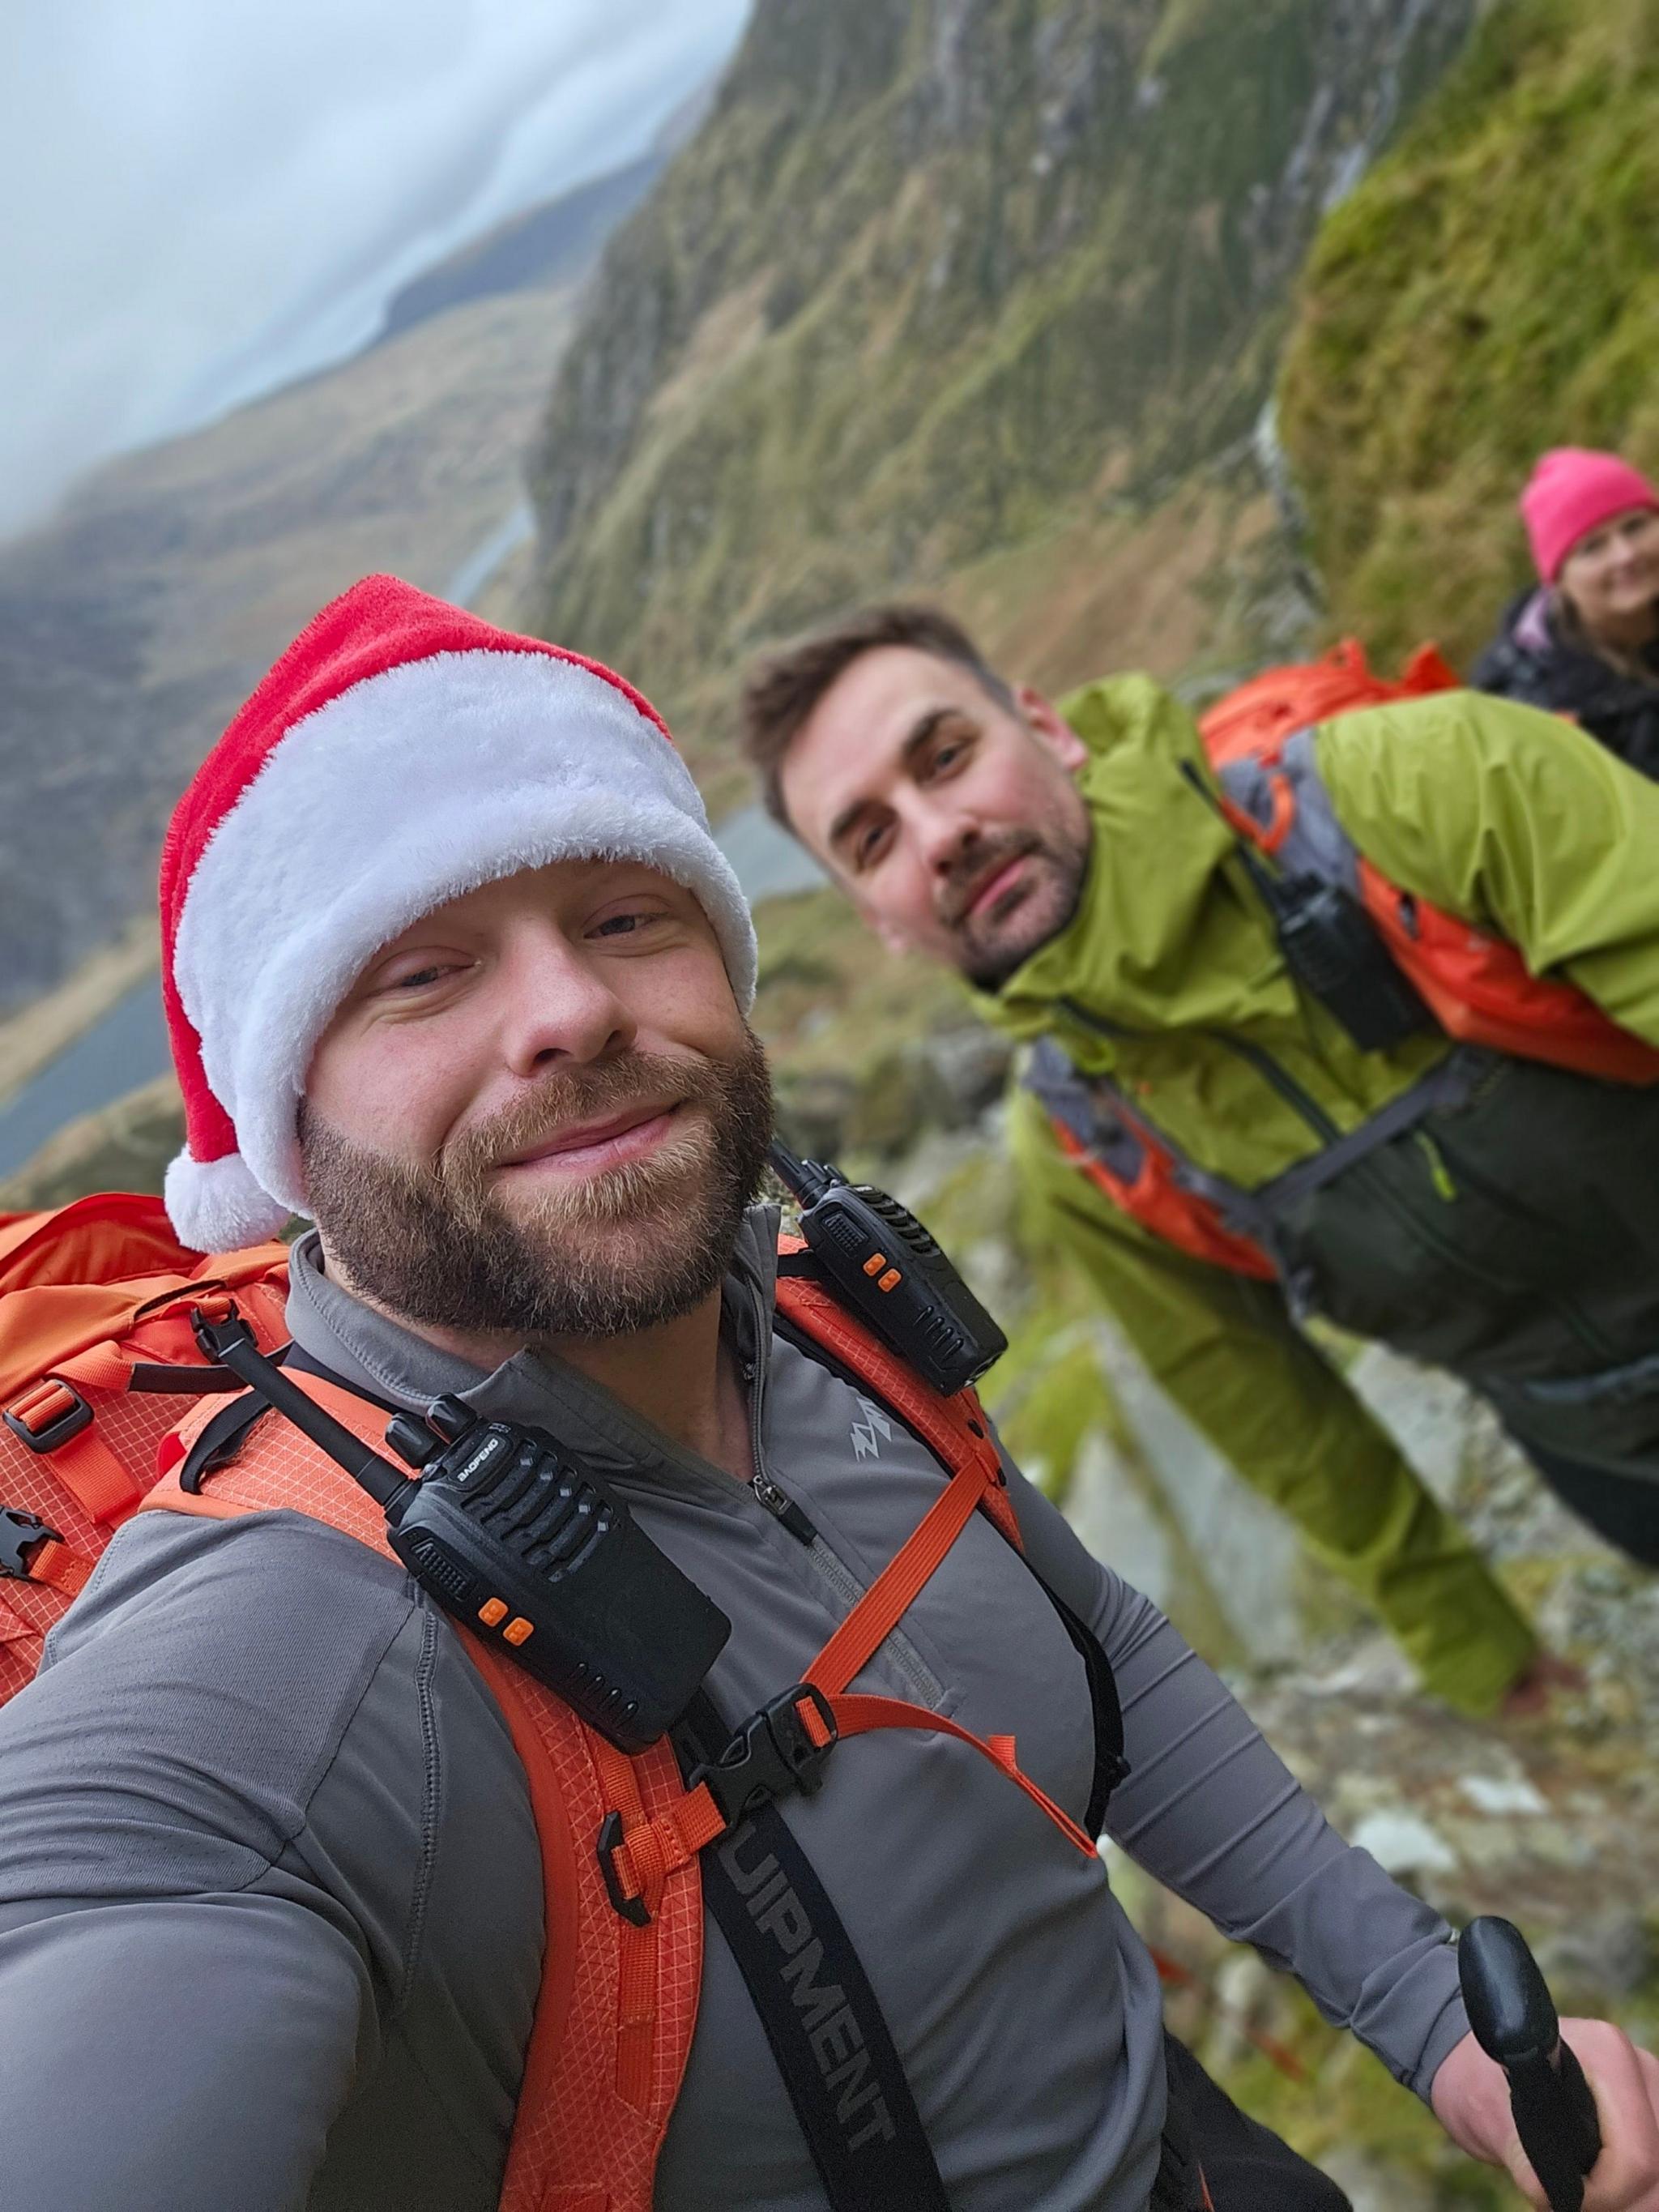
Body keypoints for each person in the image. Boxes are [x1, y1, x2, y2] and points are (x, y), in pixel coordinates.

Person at [3, 574, 1655, 2212]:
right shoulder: (281, 1640)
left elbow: (1102, 1652)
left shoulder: (820, 1331)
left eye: (623, 917)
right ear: (286, 1129)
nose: (569, 1011)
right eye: (420, 972)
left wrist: (1432, 2020)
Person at [737, 602, 1659, 1719]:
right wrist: (1486, 1657)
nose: (941, 835)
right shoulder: (1088, 1149)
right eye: (873, 840)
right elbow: (1293, 1428)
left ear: (1050, 728)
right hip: (1606, 1453)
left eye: (948, 755)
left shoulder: (1409, 785)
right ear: (876, 921)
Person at [1473, 447, 1659, 776]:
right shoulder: (1532, 710)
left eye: (1635, 527)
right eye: (1592, 548)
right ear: (1559, 582)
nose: (1625, 554)